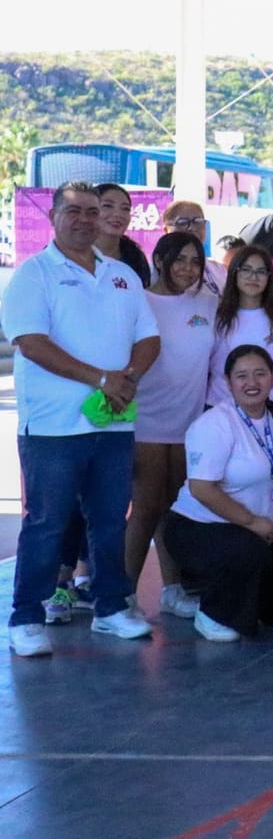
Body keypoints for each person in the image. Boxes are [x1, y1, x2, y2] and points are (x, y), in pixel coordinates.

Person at [5, 182, 160, 656]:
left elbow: (148, 338)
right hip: (52, 428)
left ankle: (111, 608)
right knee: (48, 522)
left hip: (112, 423)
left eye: (92, 212)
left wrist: (126, 378)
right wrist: (101, 379)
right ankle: (25, 616)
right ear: (53, 217)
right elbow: (31, 342)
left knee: (111, 519)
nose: (84, 219)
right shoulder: (33, 276)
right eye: (73, 211)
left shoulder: (123, 277)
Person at [165, 344, 273, 642]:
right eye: (242, 376)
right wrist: (253, 522)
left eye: (260, 374)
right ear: (228, 382)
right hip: (201, 527)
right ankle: (214, 613)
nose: (252, 383)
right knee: (249, 550)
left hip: (266, 525)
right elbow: (201, 488)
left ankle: (268, 612)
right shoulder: (214, 424)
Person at [128, 230, 216, 621]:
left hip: (189, 423)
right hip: (143, 418)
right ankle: (122, 596)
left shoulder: (210, 303)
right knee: (146, 508)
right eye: (179, 259)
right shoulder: (138, 300)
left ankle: (173, 589)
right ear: (159, 260)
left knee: (175, 508)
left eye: (195, 261)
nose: (187, 268)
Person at [206, 245, 273, 426]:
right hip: (220, 415)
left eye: (261, 272)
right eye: (246, 270)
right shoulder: (216, 315)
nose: (253, 277)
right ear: (234, 273)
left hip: (268, 416)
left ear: (269, 277)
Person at [94, 183, 151, 285]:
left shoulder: (135, 257)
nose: (118, 214)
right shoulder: (74, 255)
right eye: (108, 206)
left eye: (125, 209)